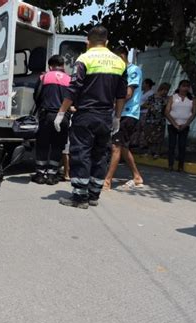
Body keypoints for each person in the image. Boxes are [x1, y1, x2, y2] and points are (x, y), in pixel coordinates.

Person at [55, 25, 127, 208]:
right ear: (107, 42)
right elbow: (121, 94)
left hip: (86, 115)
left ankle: (79, 197)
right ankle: (94, 194)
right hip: (105, 116)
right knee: (100, 154)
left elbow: (74, 88)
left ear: (88, 42)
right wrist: (117, 117)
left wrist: (61, 112)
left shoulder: (84, 59)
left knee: (81, 153)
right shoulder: (119, 62)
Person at [103, 46, 144, 191]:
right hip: (119, 113)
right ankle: (137, 176)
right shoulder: (120, 72)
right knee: (123, 147)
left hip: (128, 113)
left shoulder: (133, 70)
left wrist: (113, 104)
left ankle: (107, 181)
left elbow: (128, 94)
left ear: (122, 56)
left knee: (116, 146)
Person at [31, 55, 71, 185]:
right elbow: (72, 98)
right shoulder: (69, 79)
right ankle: (52, 175)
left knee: (42, 144)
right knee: (57, 145)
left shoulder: (44, 77)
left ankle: (40, 174)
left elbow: (36, 95)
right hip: (63, 116)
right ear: (63, 66)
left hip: (46, 115)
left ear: (50, 66)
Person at [164, 79, 196, 172]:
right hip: (172, 125)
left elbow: (194, 113)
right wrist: (174, 124)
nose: (185, 88)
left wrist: (186, 124)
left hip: (184, 126)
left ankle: (180, 166)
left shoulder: (192, 99)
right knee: (172, 145)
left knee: (182, 146)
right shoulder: (173, 97)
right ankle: (170, 165)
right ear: (179, 87)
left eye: (187, 86)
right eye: (183, 86)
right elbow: (166, 112)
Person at [143, 82, 171, 158]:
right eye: (164, 90)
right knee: (149, 136)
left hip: (160, 120)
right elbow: (144, 105)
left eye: (167, 90)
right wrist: (150, 107)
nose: (165, 92)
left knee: (159, 137)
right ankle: (149, 151)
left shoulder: (167, 99)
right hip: (150, 119)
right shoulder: (152, 97)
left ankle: (157, 152)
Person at [135, 78, 156, 150]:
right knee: (137, 129)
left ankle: (143, 144)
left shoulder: (151, 93)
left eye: (143, 83)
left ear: (147, 84)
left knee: (144, 129)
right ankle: (135, 143)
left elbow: (149, 104)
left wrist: (141, 106)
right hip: (138, 112)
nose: (142, 85)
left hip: (145, 113)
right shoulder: (141, 92)